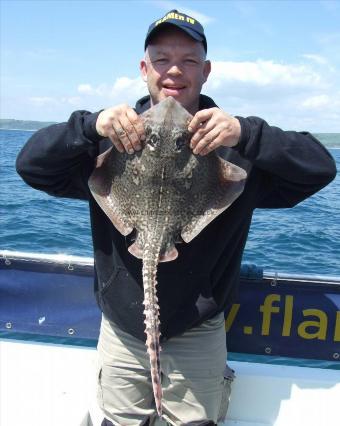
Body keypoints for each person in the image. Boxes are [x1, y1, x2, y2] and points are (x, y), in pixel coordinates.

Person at [16, 9, 336, 426]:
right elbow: (32, 166)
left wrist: (246, 133)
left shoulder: (234, 148)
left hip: (198, 331)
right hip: (121, 329)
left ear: (205, 71)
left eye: (188, 60)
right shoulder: (110, 143)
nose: (174, 71)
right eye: (162, 59)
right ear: (144, 68)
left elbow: (320, 169)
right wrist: (90, 126)